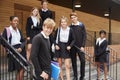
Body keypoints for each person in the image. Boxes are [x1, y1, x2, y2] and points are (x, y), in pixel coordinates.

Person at [2, 16, 26, 80]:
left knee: (21, 69)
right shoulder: (7, 30)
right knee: (21, 68)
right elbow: (3, 41)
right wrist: (13, 49)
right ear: (10, 22)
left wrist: (21, 48)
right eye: (15, 20)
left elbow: (23, 41)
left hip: (21, 50)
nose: (16, 22)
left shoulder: (19, 31)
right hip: (13, 51)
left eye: (17, 21)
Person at [69, 12, 86, 80]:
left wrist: (83, 46)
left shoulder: (81, 25)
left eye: (74, 17)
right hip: (73, 47)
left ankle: (82, 76)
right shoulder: (70, 27)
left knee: (83, 61)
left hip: (80, 47)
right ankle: (75, 76)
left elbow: (84, 36)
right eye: (72, 18)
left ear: (77, 17)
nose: (73, 19)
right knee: (73, 62)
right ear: (71, 19)